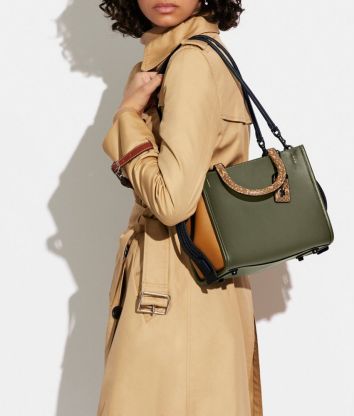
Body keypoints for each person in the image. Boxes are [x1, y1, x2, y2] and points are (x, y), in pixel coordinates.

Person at [96, 1, 263, 414]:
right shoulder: (186, 58)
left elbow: (171, 202)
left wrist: (127, 115)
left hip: (175, 288)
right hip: (198, 282)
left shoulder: (189, 62)